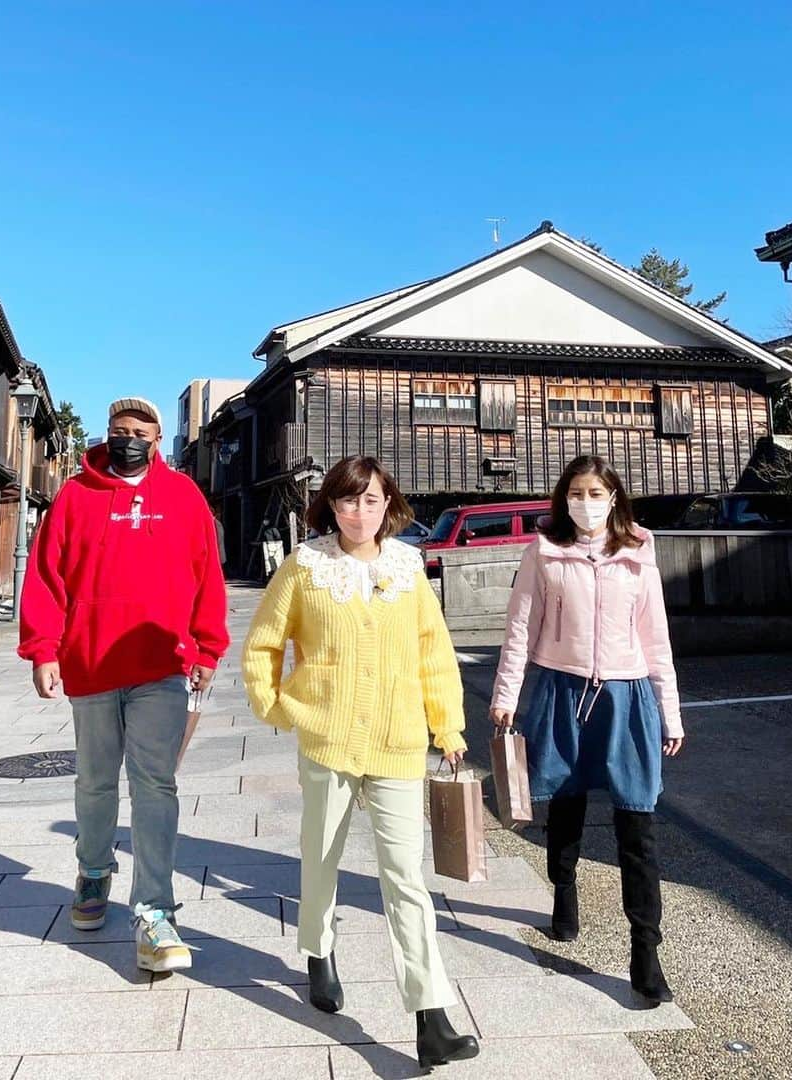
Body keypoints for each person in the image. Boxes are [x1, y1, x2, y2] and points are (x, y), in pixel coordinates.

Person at [242, 455, 479, 1070]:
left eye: (370, 500)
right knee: (321, 856)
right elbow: (265, 640)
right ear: (331, 507)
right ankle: (319, 952)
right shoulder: (305, 566)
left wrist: (446, 726)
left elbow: (434, 653)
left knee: (405, 877)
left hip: (399, 743)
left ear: (388, 504)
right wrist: (278, 706)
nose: (359, 512)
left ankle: (432, 1014)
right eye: (347, 501)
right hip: (327, 740)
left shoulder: (407, 566)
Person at [19, 396, 229, 973]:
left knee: (155, 785)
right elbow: (46, 575)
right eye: (119, 429)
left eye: (140, 430)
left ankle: (155, 909)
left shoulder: (183, 497)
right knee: (94, 780)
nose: (128, 437)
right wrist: (42, 649)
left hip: (161, 664)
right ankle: (92, 871)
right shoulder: (75, 494)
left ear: (158, 440)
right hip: (89, 663)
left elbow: (206, 574)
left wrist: (207, 646)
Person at [490, 454, 684, 1006]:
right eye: (577, 492)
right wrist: (505, 697)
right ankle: (564, 892)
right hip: (562, 690)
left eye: (597, 492)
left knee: (638, 827)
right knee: (565, 806)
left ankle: (645, 954)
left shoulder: (639, 553)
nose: (587, 502)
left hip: (627, 697)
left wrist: (670, 712)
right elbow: (520, 627)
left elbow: (657, 637)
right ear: (563, 498)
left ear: (615, 497)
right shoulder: (544, 552)